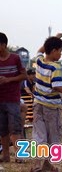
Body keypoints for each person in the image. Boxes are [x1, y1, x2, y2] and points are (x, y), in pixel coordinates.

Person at [32, 32, 62, 172]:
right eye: (60, 51)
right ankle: (47, 164)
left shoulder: (39, 61)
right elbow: (56, 86)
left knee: (39, 135)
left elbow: (40, 50)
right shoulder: (55, 67)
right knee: (53, 137)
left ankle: (37, 165)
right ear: (54, 51)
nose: (60, 54)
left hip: (37, 104)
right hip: (51, 107)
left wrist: (55, 39)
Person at [0, 32, 27, 164]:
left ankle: (19, 155)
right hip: (0, 99)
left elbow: (24, 76)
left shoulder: (15, 58)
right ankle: (6, 155)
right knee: (3, 130)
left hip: (12, 99)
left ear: (3, 45)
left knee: (15, 129)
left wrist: (8, 80)